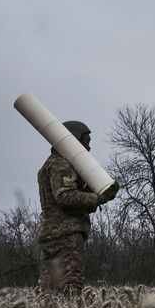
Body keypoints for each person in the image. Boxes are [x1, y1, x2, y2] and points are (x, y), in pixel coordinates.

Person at [37, 120, 119, 293]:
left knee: (49, 289)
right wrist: (98, 197)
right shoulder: (61, 164)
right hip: (65, 235)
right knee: (71, 285)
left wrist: (92, 190)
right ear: (74, 139)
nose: (88, 147)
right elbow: (65, 197)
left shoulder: (52, 163)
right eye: (85, 141)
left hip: (52, 234)